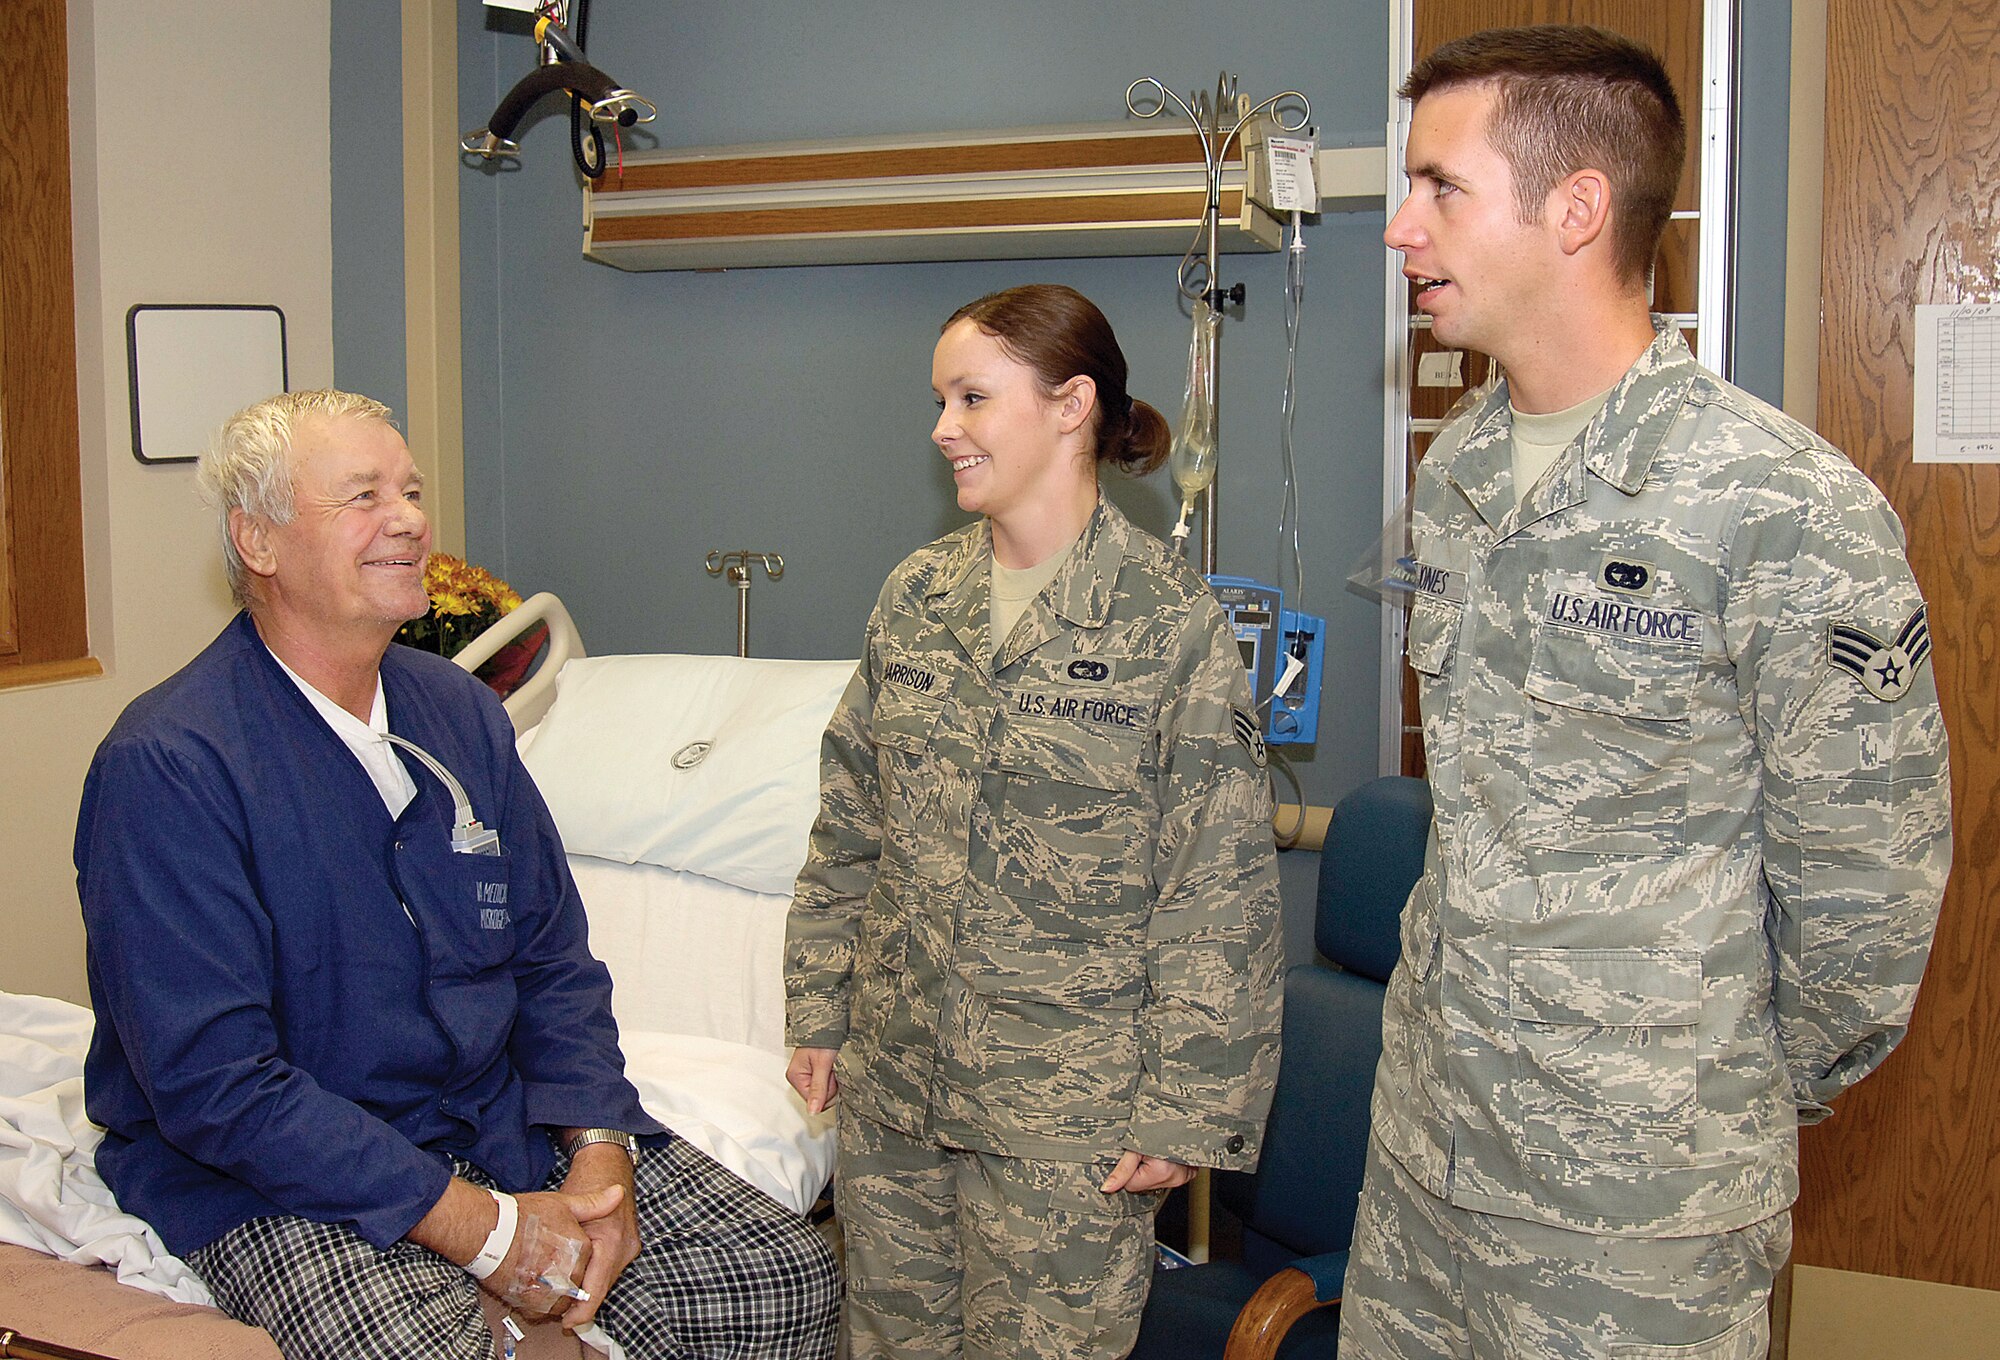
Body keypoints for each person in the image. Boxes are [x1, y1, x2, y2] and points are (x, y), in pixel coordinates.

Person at [1347, 24, 1953, 1359]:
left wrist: (1697, 1092)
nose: (1401, 229)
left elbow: (1869, 891)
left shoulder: (1781, 507)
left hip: (1635, 1209)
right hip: (1428, 1164)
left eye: (1440, 187)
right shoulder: (1460, 472)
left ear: (1575, 209)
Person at [76, 390, 839, 1360]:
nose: (408, 518)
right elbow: (217, 1085)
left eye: (411, 489)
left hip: (488, 1116)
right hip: (272, 1170)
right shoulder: (174, 764)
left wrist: (598, 1152)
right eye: (363, 496)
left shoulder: (457, 713)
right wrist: (480, 1228)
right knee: (422, 1348)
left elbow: (551, 960)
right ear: (256, 540)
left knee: (774, 1278)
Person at [784, 284, 1284, 1358]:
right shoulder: (914, 599)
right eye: (939, 400)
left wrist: (1188, 1108)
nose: (941, 429)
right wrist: (817, 1007)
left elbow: (1216, 888)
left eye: (970, 398)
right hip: (897, 1087)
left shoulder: (1166, 623)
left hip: (1066, 1118)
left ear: (1069, 405)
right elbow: (849, 827)